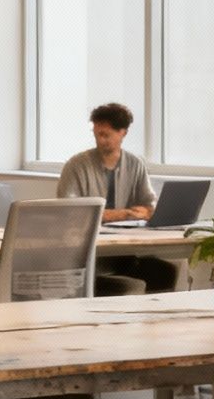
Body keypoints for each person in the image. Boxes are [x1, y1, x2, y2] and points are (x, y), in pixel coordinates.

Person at [55, 102, 179, 295]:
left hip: (124, 250)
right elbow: (71, 212)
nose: (100, 140)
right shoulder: (76, 165)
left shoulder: (135, 164)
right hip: (88, 254)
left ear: (123, 133)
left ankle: (152, 322)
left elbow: (149, 206)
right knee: (131, 283)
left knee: (164, 271)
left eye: (106, 135)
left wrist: (138, 212)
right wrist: (126, 213)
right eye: (97, 134)